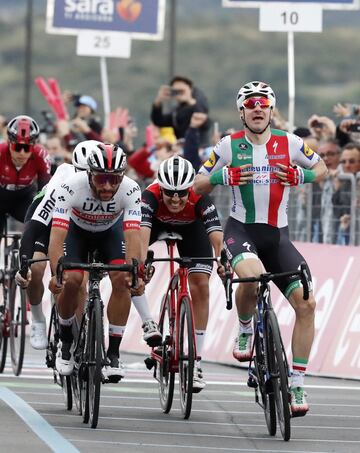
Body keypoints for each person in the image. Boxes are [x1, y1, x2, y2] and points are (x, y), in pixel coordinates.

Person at [193, 81, 328, 415]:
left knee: (307, 305)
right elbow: (197, 183)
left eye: (263, 104)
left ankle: (296, 383)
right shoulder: (228, 145)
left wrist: (301, 176)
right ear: (242, 112)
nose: (257, 109)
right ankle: (244, 328)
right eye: (250, 104)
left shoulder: (290, 142)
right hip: (241, 231)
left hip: (278, 236)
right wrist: (222, 177)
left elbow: (322, 169)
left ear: (270, 109)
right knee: (252, 280)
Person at [48, 143, 147, 382]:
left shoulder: (131, 189)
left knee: (124, 278)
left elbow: (133, 236)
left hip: (109, 233)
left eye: (114, 180)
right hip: (76, 233)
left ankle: (113, 354)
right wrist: (55, 273)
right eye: (102, 179)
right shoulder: (71, 187)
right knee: (71, 279)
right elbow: (57, 236)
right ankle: (66, 342)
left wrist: (137, 273)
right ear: (90, 174)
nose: (108, 186)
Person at [141, 156, 224, 391]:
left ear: (190, 189)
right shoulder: (149, 196)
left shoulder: (200, 196)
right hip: (157, 226)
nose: (176, 199)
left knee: (201, 286)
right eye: (169, 193)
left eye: (181, 193)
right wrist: (140, 261)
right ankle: (156, 323)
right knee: (135, 268)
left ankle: (196, 361)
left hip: (191, 230)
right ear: (161, 188)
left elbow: (215, 234)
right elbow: (141, 234)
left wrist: (221, 260)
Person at [15, 140, 102, 350]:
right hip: (50, 218)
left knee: (80, 281)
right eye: (82, 172)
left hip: (80, 223)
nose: (87, 179)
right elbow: (35, 226)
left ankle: (84, 338)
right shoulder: (62, 182)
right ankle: (37, 319)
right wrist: (23, 265)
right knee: (36, 268)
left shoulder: (109, 185)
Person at [0, 115, 51, 237]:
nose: (22, 153)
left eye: (27, 148)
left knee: (40, 223)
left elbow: (45, 190)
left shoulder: (41, 155)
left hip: (23, 199)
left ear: (34, 146)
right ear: (9, 143)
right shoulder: (1, 152)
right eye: (17, 147)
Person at [151, 75, 211, 147]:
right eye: (176, 91)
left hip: (200, 148)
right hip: (183, 149)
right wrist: (159, 100)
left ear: (190, 89)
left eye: (182, 90)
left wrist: (189, 100)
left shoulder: (199, 102)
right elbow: (158, 121)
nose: (179, 93)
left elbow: (204, 119)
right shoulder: (175, 113)